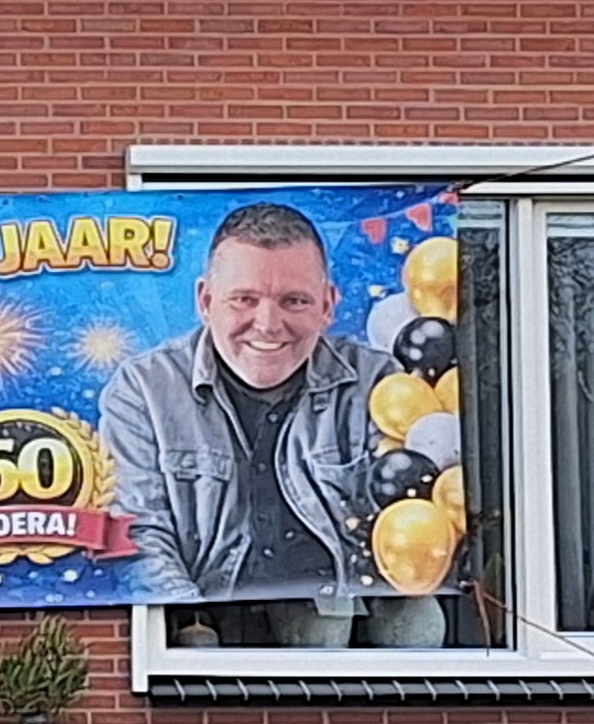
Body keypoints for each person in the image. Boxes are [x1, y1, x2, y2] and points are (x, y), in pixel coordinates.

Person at [97, 201, 386, 642]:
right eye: (244, 300)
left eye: (294, 301)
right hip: (202, 640)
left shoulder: (380, 385)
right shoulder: (144, 389)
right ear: (205, 301)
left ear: (328, 305)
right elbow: (138, 534)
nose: (267, 324)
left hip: (348, 644)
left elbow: (412, 531)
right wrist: (189, 638)